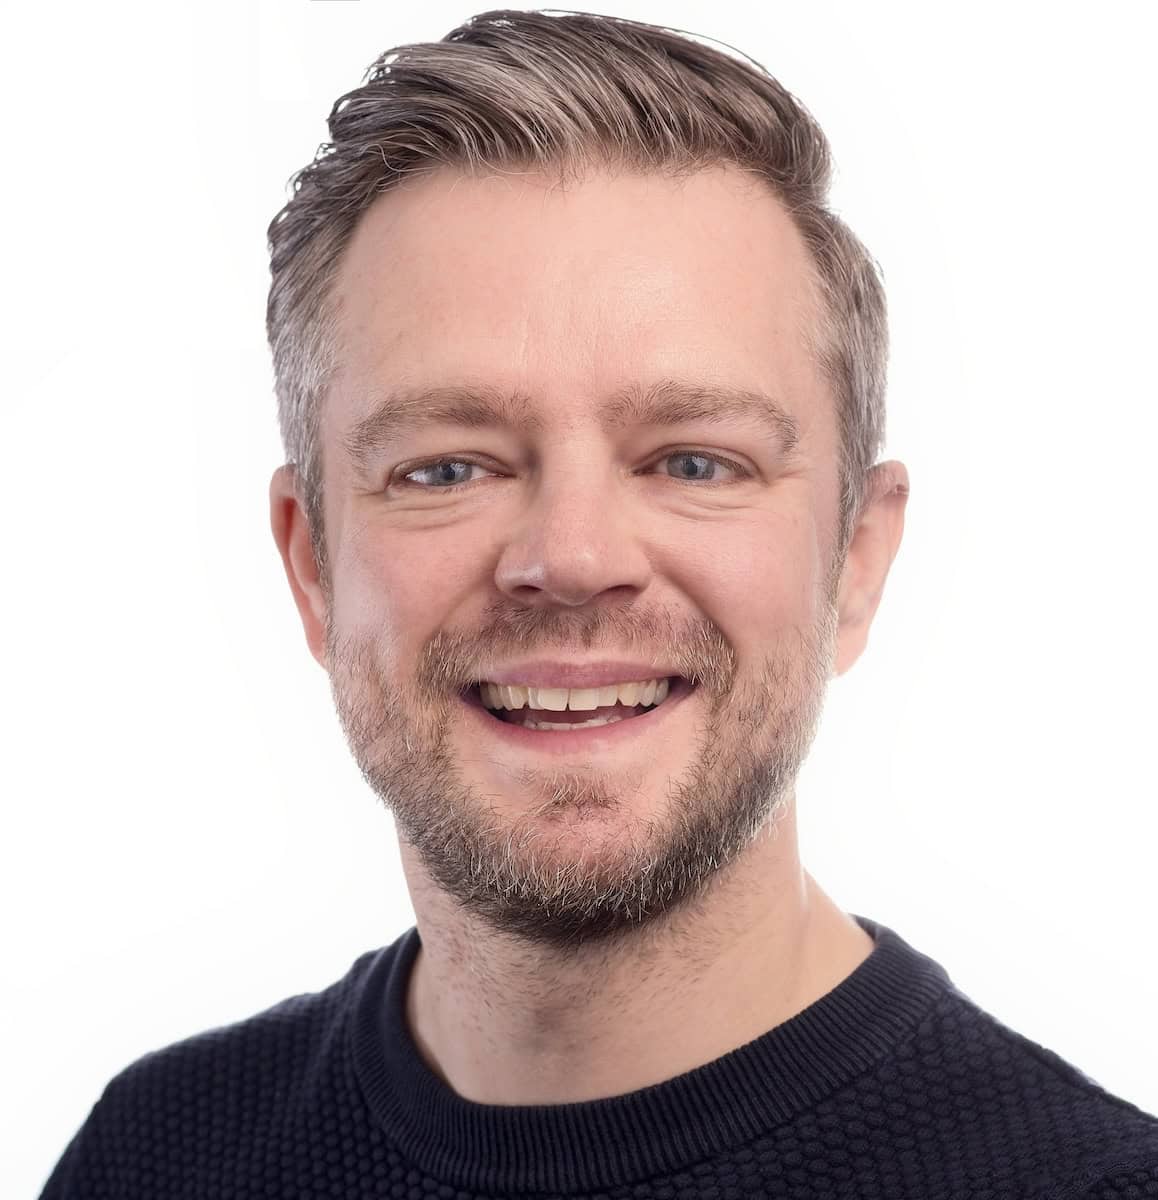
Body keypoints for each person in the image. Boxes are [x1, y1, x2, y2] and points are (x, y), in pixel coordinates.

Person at [40, 9, 1158, 1197]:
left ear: (858, 560)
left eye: (692, 460)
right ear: (312, 567)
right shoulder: (156, 1155)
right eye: (447, 467)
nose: (570, 558)